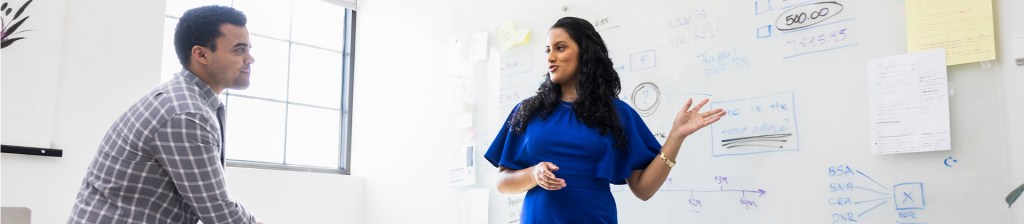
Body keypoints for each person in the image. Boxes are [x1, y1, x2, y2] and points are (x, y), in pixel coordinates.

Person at [485, 17, 726, 223]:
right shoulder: (528, 111)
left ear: (585, 53)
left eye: (560, 48)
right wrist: (533, 174)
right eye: (548, 50)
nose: (551, 58)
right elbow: (503, 182)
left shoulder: (617, 114)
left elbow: (643, 189)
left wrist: (676, 136)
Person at [68, 5, 264, 224]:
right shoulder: (186, 113)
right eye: (239, 50)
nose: (250, 59)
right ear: (201, 54)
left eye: (248, 49)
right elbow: (220, 213)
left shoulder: (186, 99)